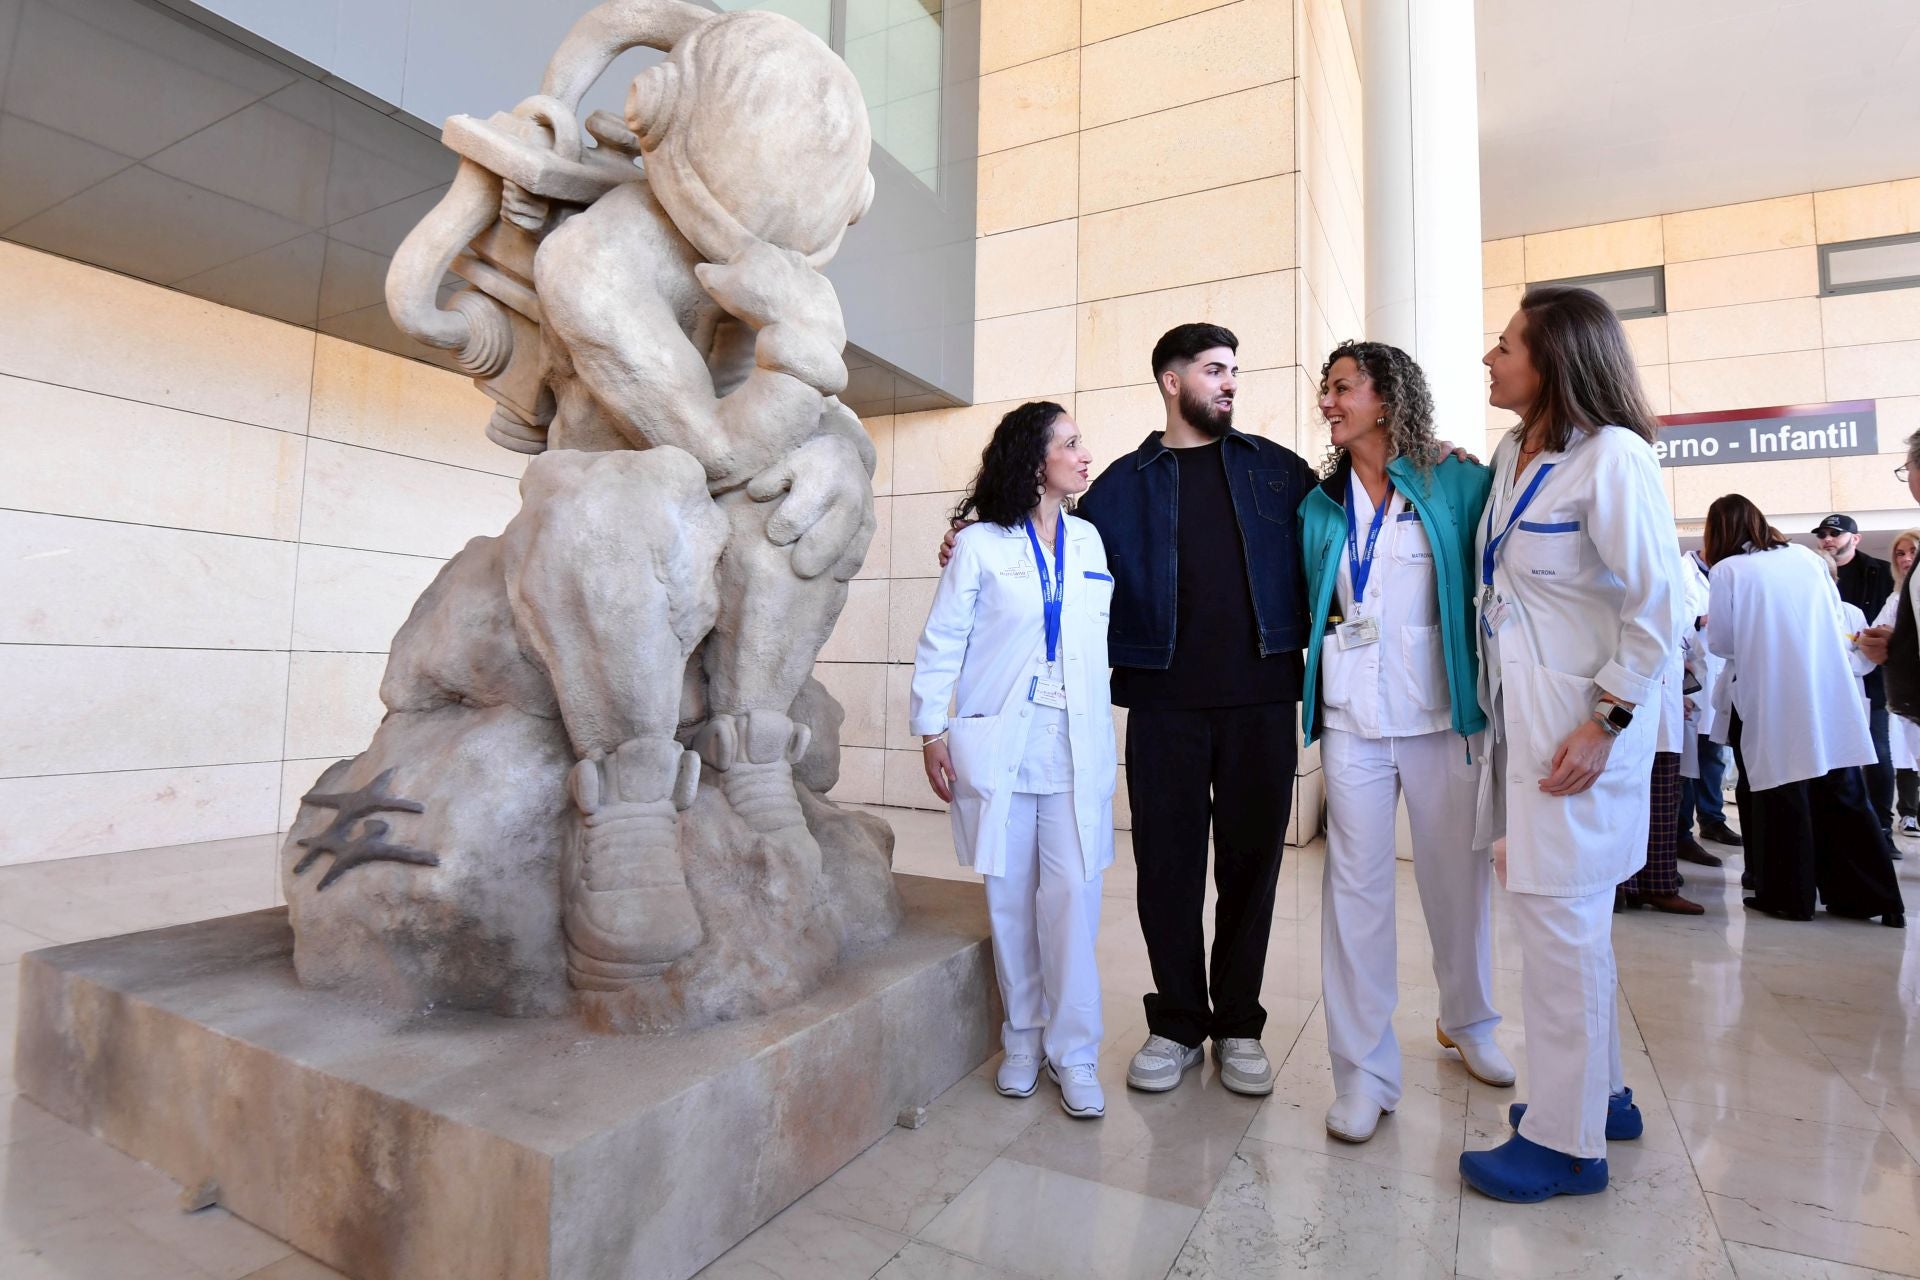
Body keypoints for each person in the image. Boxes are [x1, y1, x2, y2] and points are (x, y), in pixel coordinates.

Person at [944, 324, 1318, 1098]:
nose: (1230, 384)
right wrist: (966, 535)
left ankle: (1240, 1023)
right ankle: (1178, 1022)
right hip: (1161, 705)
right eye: (1215, 370)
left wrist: (1430, 455)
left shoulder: (1277, 472)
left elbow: (1345, 519)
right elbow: (1036, 533)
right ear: (1171, 381)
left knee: (1254, 868)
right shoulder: (1119, 485)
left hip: (1262, 697)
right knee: (1168, 872)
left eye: (1235, 372)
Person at [1457, 285, 1679, 1204]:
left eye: (1506, 344)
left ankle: (1565, 1144)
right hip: (1529, 721)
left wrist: (1607, 720)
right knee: (1567, 923)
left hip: (1582, 733)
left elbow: (1660, 605)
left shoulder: (1614, 458)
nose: (1490, 357)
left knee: (1560, 931)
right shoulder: (1516, 453)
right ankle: (1604, 1098)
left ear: (1555, 361)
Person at [1299, 341, 1512, 1145]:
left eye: (1343, 388)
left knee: (1456, 881)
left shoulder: (1457, 481)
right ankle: (1362, 1072)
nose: (1329, 402)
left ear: (1386, 398)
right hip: (1353, 719)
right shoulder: (1321, 505)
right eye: (1326, 390)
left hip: (1439, 715)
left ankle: (1468, 1020)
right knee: (1353, 892)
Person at [912, 402, 1118, 1119]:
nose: (1084, 453)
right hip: (1003, 748)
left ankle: (1076, 1053)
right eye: (1071, 443)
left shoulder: (1091, 542)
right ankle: (1023, 1040)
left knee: (1071, 906)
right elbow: (944, 641)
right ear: (1036, 461)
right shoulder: (979, 547)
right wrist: (931, 731)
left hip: (1073, 750)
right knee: (1010, 905)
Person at [1705, 496, 1904, 929]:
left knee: (1784, 797)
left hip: (1773, 694)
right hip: (1827, 691)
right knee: (1845, 795)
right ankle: (1873, 898)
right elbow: (1835, 618)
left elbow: (1721, 642)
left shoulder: (1727, 571)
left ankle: (1789, 898)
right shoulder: (1805, 557)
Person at [1618, 549, 1708, 915]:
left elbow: (1681, 625)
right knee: (1623, 797)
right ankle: (1621, 885)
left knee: (1662, 797)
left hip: (1665, 702)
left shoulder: (1673, 568)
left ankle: (1658, 884)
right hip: (1627, 695)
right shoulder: (1625, 563)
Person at [1814, 513, 1896, 830]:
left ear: (1855, 538)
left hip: (1870, 681)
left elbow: (1869, 646)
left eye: (1835, 532)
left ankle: (1882, 827)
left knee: (1876, 752)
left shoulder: (1879, 574)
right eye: (1822, 533)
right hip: (1824, 692)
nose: (1828, 538)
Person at [1676, 547, 1742, 853]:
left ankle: (1712, 819)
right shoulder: (1682, 570)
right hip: (1689, 676)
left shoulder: (1726, 572)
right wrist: (1701, 619)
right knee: (1685, 763)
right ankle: (1682, 832)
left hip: (1712, 671)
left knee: (1712, 755)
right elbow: (1672, 613)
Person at [1872, 529, 1920, 845]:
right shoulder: (1895, 598)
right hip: (1906, 697)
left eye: (1911, 552)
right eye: (1899, 554)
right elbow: (1878, 633)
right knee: (1906, 758)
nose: (1905, 559)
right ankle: (1908, 813)